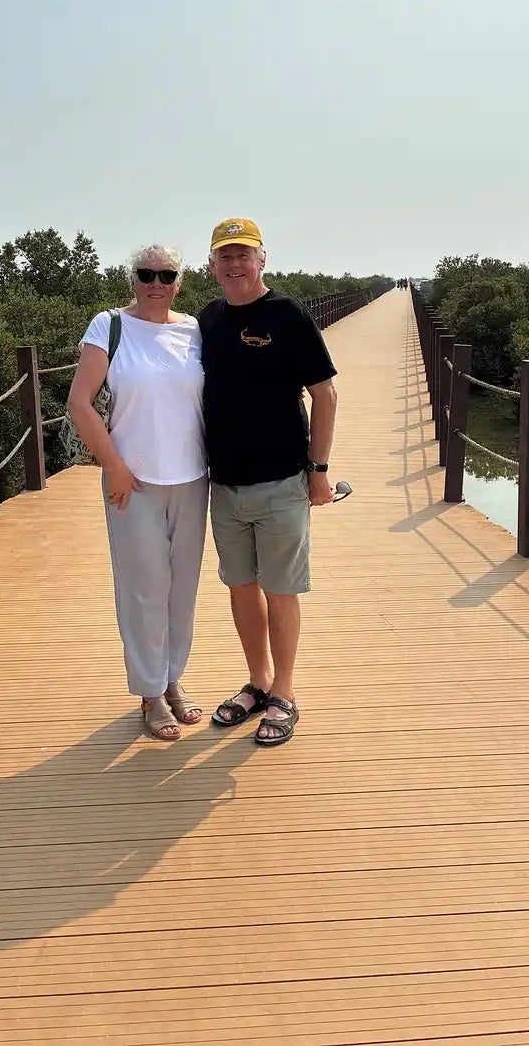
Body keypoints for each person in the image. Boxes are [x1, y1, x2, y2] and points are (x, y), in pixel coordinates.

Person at [198, 217, 338, 746]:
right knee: (240, 586)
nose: (235, 263)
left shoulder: (288, 314)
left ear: (262, 260)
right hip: (224, 483)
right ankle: (257, 683)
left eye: (244, 254)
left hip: (281, 480)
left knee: (281, 590)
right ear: (212, 266)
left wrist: (318, 471)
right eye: (225, 255)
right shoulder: (207, 319)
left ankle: (284, 692)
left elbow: (325, 394)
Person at [67, 245, 208, 742]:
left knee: (181, 589)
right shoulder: (108, 325)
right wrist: (114, 467)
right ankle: (150, 693)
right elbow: (80, 402)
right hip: (132, 483)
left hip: (192, 477)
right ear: (132, 278)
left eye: (166, 275)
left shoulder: (194, 330)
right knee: (143, 588)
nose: (155, 283)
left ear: (179, 282)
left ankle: (172, 680)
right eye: (146, 274)